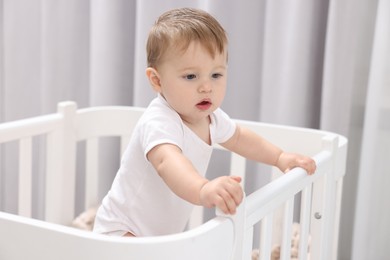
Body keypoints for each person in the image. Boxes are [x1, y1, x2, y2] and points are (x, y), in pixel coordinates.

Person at [93, 7, 316, 237]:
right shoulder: (159, 120)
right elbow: (167, 162)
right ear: (157, 80)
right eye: (191, 76)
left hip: (158, 236)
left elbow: (239, 138)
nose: (206, 87)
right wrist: (202, 188)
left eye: (216, 75)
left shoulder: (210, 118)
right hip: (121, 231)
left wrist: (279, 157)